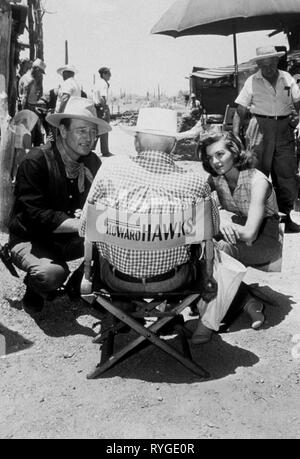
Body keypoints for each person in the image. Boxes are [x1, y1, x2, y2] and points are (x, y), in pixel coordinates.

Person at [79, 107, 237, 344]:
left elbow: (85, 229)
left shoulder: (109, 170)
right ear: (173, 145)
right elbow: (212, 230)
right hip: (173, 281)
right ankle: (169, 315)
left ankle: (122, 312)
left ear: (136, 142)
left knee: (105, 246)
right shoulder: (194, 181)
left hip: (117, 279)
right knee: (196, 248)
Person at [8, 97, 111, 313]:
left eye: (93, 132)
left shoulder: (92, 163)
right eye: (82, 131)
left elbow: (103, 202)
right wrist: (81, 224)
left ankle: (78, 286)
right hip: (31, 237)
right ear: (62, 131)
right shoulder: (35, 161)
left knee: (115, 242)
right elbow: (35, 215)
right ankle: (34, 287)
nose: (89, 138)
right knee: (51, 275)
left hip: (70, 237)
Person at [201, 130, 284, 329]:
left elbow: (249, 233)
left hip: (266, 240)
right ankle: (247, 300)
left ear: (235, 151)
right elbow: (199, 210)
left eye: (220, 154)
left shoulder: (258, 181)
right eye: (209, 157)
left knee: (219, 250)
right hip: (236, 235)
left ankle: (208, 318)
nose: (215, 162)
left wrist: (221, 228)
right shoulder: (215, 179)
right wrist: (220, 221)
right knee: (201, 247)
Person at [233, 45, 300, 233]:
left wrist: (296, 119)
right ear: (259, 64)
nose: (268, 68)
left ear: (276, 62)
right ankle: (258, 222)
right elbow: (241, 108)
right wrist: (237, 134)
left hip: (284, 128)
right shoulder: (252, 81)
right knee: (255, 175)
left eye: (271, 64)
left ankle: (285, 219)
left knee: (287, 175)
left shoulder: (287, 78)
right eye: (264, 65)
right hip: (258, 128)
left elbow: (298, 102)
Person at [18, 58, 46, 146]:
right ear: (36, 69)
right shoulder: (29, 80)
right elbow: (24, 99)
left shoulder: (27, 78)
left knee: (33, 136)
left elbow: (38, 95)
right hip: (28, 109)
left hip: (30, 108)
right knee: (28, 137)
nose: (40, 75)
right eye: (40, 72)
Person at [93, 66, 113, 157]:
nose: (110, 75)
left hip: (96, 108)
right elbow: (102, 97)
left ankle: (90, 148)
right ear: (104, 74)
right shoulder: (104, 83)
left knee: (96, 129)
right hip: (102, 107)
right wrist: (104, 108)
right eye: (108, 73)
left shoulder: (97, 83)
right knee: (104, 128)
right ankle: (105, 151)